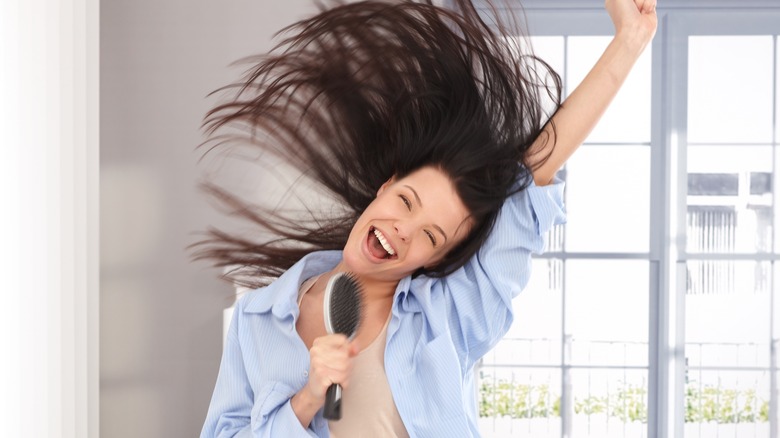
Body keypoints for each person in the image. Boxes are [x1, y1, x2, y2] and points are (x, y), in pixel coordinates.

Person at [197, 0, 657, 436]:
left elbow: (530, 177)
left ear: (434, 260)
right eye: (407, 201)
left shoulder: (450, 318)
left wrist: (629, 39)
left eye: (430, 235)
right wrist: (307, 399)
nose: (403, 229)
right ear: (384, 188)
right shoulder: (257, 320)